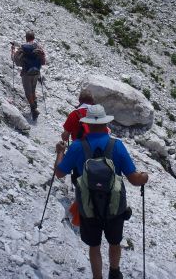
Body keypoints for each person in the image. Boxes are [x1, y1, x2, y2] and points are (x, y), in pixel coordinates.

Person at [54, 104, 149, 279]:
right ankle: (114, 272)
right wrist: (144, 177)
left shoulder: (76, 146)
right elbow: (135, 180)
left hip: (88, 206)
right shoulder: (117, 146)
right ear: (105, 123)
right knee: (115, 242)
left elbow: (59, 173)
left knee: (94, 246)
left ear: (87, 125)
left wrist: (60, 152)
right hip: (115, 207)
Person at [11, 30, 46, 119]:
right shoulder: (38, 47)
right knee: (33, 89)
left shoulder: (23, 48)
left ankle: (34, 109)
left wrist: (13, 51)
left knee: (27, 92)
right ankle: (34, 104)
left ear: (26, 38)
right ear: (33, 38)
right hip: (36, 72)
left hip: (26, 73)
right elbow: (43, 61)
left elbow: (16, 61)